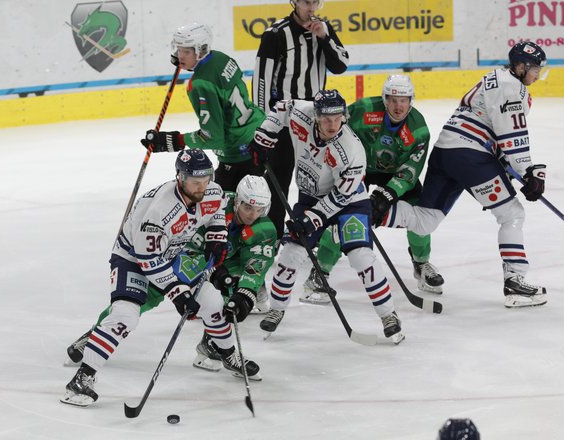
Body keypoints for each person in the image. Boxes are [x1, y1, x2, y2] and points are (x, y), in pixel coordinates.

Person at [60, 149, 260, 407]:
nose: (202, 187)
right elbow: (149, 260)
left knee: (212, 301)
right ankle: (82, 378)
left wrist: (217, 236)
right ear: (180, 178)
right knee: (126, 316)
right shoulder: (158, 212)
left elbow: (216, 211)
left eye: (205, 179)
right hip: (132, 259)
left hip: (173, 253)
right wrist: (178, 293)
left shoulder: (211, 190)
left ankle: (227, 353)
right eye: (195, 182)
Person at [383, 42, 549, 308]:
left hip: (446, 150)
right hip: (470, 156)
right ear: (520, 67)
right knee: (512, 214)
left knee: (425, 220)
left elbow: (495, 131)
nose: (537, 75)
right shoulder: (511, 87)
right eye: (535, 70)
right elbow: (511, 136)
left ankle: (367, 213)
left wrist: (519, 168)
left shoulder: (496, 77)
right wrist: (528, 171)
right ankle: (516, 282)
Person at [249, 89, 405, 344]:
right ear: (316, 116)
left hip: (350, 203)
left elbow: (341, 197)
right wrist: (264, 135)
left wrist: (312, 219)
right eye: (326, 119)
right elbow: (281, 107)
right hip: (310, 196)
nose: (333, 124)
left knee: (361, 257)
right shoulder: (302, 111)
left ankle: (389, 315)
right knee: (290, 253)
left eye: (337, 118)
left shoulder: (352, 150)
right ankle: (277, 309)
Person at [301, 75, 444, 305]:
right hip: (358, 168)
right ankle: (320, 272)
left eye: (404, 100)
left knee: (421, 210)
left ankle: (421, 263)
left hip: (394, 172)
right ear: (384, 99)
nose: (398, 106)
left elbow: (410, 170)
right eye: (393, 100)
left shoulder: (419, 129)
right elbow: (335, 129)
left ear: (412, 101)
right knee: (344, 214)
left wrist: (387, 194)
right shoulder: (364, 109)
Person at [252, 0, 349, 238]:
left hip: (319, 122)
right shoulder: (275, 34)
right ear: (294, 3)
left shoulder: (324, 28)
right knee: (279, 179)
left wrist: (325, 38)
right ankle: (272, 235)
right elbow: (261, 83)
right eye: (307, 2)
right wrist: (266, 127)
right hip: (286, 121)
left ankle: (313, 231)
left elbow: (341, 65)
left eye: (316, 2)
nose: (312, 8)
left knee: (318, 180)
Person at [141, 23, 265, 192]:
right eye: (178, 50)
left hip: (239, 153)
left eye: (186, 51)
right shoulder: (221, 58)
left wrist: (175, 140)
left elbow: (213, 137)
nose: (180, 55)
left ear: (201, 50)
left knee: (224, 208)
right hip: (260, 134)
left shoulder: (200, 84)